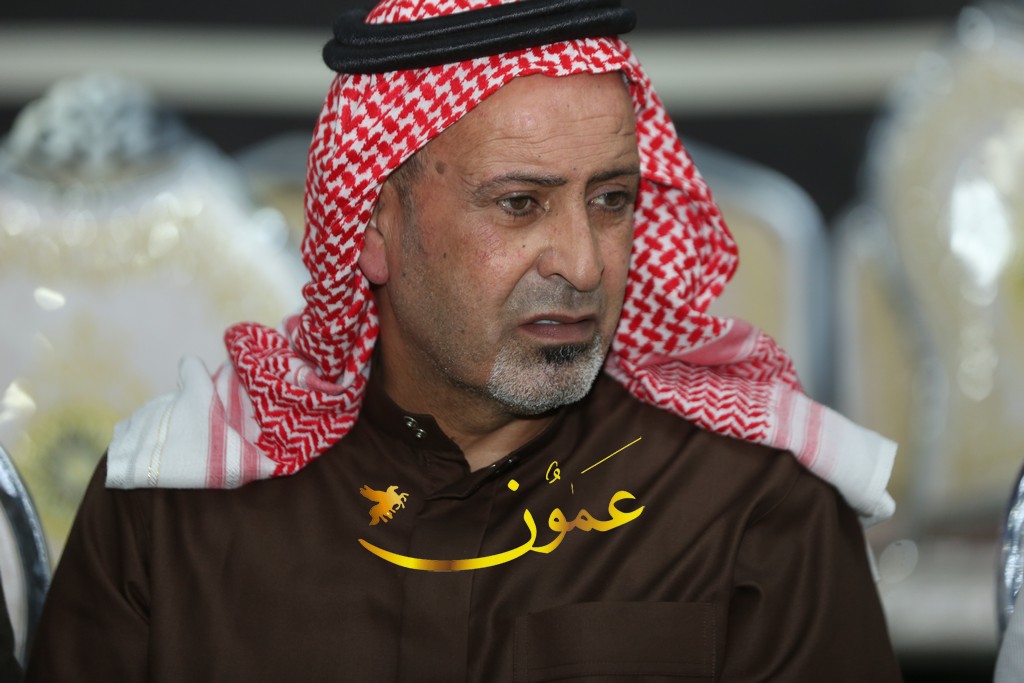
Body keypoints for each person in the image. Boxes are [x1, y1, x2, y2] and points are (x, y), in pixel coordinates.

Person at [27, 0, 903, 680]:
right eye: (520, 204)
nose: (584, 264)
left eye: (611, 201)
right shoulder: (173, 511)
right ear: (373, 224)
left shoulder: (750, 507)